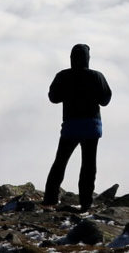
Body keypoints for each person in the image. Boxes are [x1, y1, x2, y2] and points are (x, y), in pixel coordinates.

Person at [43, 43, 113, 211]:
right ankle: (86, 203)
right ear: (88, 59)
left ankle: (50, 199)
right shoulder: (97, 76)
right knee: (89, 165)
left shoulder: (63, 76)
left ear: (72, 58)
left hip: (71, 126)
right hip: (91, 126)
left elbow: (53, 97)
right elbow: (105, 100)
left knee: (60, 162)